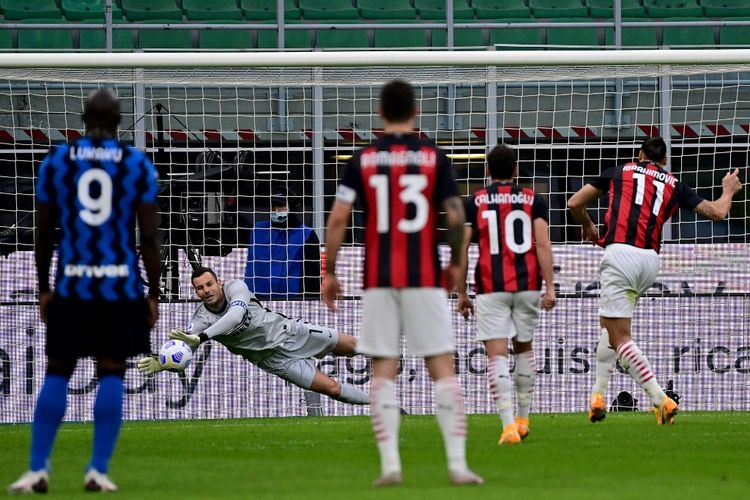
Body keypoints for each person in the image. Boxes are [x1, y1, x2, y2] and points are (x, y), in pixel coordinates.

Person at [323, 79, 483, 486]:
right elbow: (453, 217)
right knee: (442, 367)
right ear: (416, 114)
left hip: (379, 278)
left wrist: (329, 270)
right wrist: (456, 265)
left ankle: (391, 466)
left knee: (383, 369)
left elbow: (339, 217)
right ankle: (458, 465)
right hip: (425, 274)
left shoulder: (362, 158)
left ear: (380, 114)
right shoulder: (433, 157)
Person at [8, 89, 162, 494]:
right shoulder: (135, 163)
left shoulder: (57, 161)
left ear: (81, 118)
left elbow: (42, 233)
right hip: (120, 286)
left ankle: (38, 468)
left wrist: (44, 287)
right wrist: (154, 292)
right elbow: (148, 235)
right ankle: (97, 469)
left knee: (58, 369)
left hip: (72, 283)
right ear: (119, 121)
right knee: (112, 369)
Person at [567, 136, 742, 425]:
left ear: (639, 155)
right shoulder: (673, 183)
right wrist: (728, 190)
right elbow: (718, 212)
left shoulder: (618, 172)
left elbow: (574, 202)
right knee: (609, 326)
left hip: (621, 253)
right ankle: (597, 396)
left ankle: (661, 399)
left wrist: (587, 224)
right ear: (664, 161)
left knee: (619, 337)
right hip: (649, 261)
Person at [137, 267, 370, 409]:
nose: (206, 290)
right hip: (273, 360)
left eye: (209, 284)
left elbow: (236, 316)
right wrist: (163, 362)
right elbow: (186, 351)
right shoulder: (200, 320)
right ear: (196, 292)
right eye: (199, 288)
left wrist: (202, 336)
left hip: (290, 333)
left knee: (350, 345)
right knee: (332, 389)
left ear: (218, 283)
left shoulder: (236, 287)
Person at [457, 144, 556, 445]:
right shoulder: (533, 200)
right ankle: (524, 419)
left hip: (491, 286)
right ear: (515, 171)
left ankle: (508, 426)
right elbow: (542, 244)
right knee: (524, 349)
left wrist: (461, 293)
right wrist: (550, 286)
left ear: (487, 171)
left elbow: (460, 249)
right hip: (527, 285)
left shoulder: (474, 202)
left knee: (496, 354)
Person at [244, 185, 321, 300]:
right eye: (273, 206)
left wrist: (310, 302)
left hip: (292, 301)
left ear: (292, 207)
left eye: (280, 206)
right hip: (256, 298)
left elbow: (313, 277)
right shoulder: (258, 230)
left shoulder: (306, 235)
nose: (276, 210)